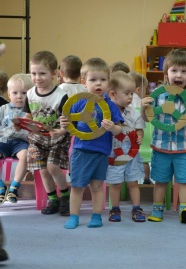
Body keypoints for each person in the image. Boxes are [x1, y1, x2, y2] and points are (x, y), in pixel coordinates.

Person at [141, 49, 186, 224]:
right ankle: (157, 209)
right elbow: (147, 118)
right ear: (166, 73)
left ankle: (185, 208)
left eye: (184, 71)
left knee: (185, 181)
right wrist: (143, 107)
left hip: (185, 148)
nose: (179, 75)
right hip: (161, 147)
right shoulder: (158, 96)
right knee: (160, 181)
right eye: (174, 71)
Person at [60, 57, 123, 229]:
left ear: (108, 83)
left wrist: (111, 128)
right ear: (83, 82)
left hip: (101, 152)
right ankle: (74, 217)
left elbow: (119, 130)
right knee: (77, 186)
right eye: (93, 80)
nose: (98, 84)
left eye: (102, 80)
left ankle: (96, 216)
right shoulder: (78, 102)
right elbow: (68, 125)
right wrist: (64, 124)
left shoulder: (111, 106)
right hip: (81, 150)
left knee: (97, 186)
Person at [17, 51, 71, 216]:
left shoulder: (61, 96)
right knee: (42, 170)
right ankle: (53, 199)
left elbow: (67, 122)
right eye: (33, 73)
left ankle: (65, 196)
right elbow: (29, 116)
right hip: (37, 139)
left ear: (54, 74)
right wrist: (21, 124)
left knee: (53, 167)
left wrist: (60, 131)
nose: (37, 78)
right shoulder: (31, 93)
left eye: (42, 73)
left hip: (57, 138)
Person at [106, 71, 146, 222]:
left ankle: (137, 208)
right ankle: (114, 209)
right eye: (127, 93)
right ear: (113, 95)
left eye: (132, 93)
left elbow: (139, 129)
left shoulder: (133, 113)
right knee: (115, 183)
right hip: (114, 154)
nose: (131, 97)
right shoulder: (107, 113)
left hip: (132, 154)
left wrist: (140, 136)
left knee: (133, 182)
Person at [0, 74, 34, 204]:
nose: (19, 96)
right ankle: (1, 186)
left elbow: (32, 130)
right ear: (9, 94)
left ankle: (15, 186)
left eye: (24, 93)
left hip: (21, 143)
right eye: (15, 93)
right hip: (3, 141)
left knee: (25, 155)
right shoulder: (3, 109)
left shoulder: (30, 112)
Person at [128, 71, 152, 184]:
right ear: (138, 90)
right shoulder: (143, 104)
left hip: (128, 140)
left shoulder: (125, 104)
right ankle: (146, 179)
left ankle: (131, 180)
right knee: (144, 161)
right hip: (144, 139)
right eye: (145, 89)